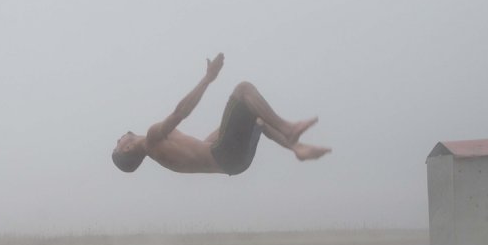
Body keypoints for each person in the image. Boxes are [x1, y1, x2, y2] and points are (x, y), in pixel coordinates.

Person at [112, 53, 331, 176]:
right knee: (243, 89)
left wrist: (232, 122)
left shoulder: (162, 154)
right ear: (128, 148)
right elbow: (180, 113)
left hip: (234, 165)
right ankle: (289, 130)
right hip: (225, 154)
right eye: (117, 145)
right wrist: (208, 79)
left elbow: (203, 149)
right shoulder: (152, 138)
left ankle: (297, 148)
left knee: (256, 116)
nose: (118, 139)